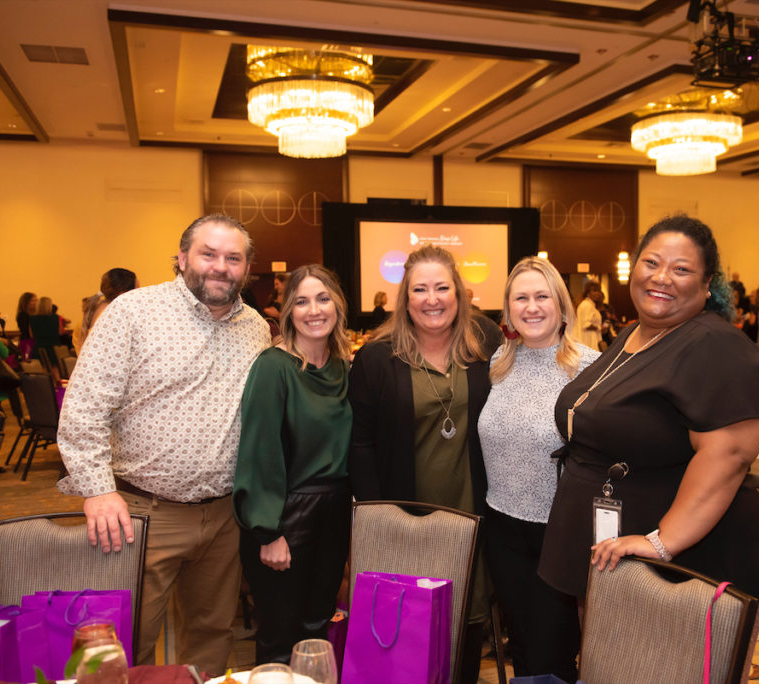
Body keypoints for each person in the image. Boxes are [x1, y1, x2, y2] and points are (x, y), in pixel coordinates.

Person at [57, 214, 271, 675]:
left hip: (224, 517)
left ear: (246, 268)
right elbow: (83, 409)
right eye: (208, 254)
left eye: (233, 258)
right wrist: (96, 489)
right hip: (140, 514)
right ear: (181, 258)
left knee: (213, 634)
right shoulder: (134, 312)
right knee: (125, 641)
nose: (221, 267)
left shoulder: (256, 328)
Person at [539, 214, 759, 612]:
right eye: (651, 263)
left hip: (683, 559)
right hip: (618, 539)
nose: (662, 277)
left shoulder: (718, 347)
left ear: (707, 286)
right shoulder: (636, 332)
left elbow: (730, 454)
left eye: (681, 269)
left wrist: (661, 540)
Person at [348, 243, 490, 684]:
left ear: (459, 294)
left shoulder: (485, 345)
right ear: (404, 299)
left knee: (466, 624)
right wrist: (379, 517)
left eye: (442, 287)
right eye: (420, 289)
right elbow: (360, 444)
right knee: (407, 629)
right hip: (404, 513)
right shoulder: (377, 358)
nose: (432, 299)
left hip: (471, 513)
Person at [478, 257, 599, 682]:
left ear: (562, 306)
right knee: (523, 645)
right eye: (521, 297)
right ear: (508, 309)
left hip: (559, 532)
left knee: (555, 648)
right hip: (502, 526)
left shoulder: (589, 367)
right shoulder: (498, 363)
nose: (532, 307)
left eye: (542, 296)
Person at [234, 264, 352, 665]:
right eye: (301, 301)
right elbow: (259, 451)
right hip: (286, 514)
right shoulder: (273, 367)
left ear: (337, 304)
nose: (313, 310)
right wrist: (268, 532)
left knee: (317, 629)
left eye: (322, 299)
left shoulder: (341, 365)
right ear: (288, 311)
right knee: (279, 635)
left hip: (334, 513)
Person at [574, 280, 603, 350]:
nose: (597, 293)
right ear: (588, 293)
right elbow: (586, 325)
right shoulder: (586, 305)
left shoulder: (590, 305)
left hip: (589, 339)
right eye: (594, 291)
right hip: (587, 340)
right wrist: (599, 328)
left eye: (598, 291)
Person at [15, 291, 38, 358]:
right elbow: (27, 332)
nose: (36, 303)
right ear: (26, 302)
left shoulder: (33, 315)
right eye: (33, 301)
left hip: (31, 342)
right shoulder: (23, 315)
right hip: (27, 342)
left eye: (36, 300)